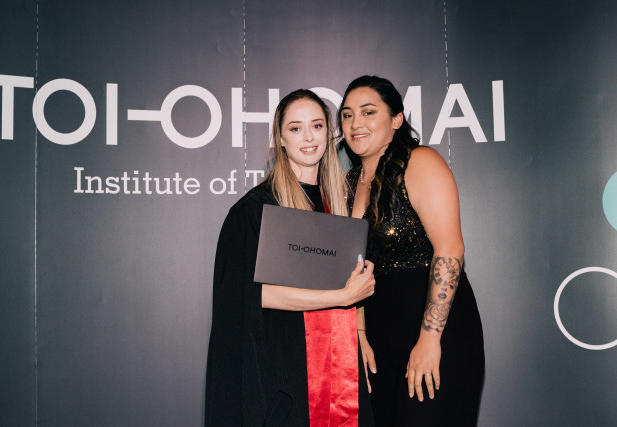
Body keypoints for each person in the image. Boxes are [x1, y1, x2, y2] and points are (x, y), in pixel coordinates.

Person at [205, 89, 376, 427]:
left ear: (329, 133)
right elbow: (249, 295)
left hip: (339, 373)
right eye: (296, 128)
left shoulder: (338, 207)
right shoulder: (256, 210)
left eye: (317, 126)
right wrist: (342, 296)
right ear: (280, 139)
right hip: (282, 376)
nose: (309, 137)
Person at [338, 76, 485, 426]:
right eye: (346, 115)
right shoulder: (347, 184)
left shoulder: (420, 162)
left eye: (368, 112)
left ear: (396, 119)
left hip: (435, 331)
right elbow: (353, 269)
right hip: (378, 339)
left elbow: (450, 249)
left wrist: (430, 339)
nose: (355, 123)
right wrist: (359, 335)